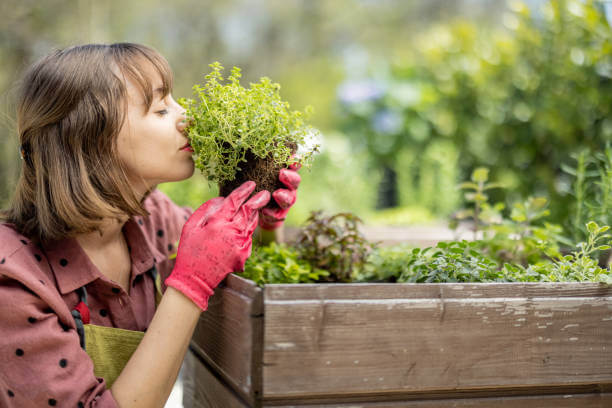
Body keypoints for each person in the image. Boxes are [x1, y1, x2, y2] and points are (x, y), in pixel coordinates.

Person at [0, 43, 301, 407]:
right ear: (90, 139)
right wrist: (191, 285)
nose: (187, 118)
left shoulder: (153, 218)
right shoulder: (14, 280)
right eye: (160, 109)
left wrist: (261, 222)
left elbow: (239, 274)